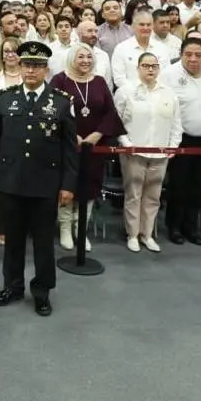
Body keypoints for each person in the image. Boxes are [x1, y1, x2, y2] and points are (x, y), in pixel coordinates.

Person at [0, 42, 77, 317]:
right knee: (12, 240)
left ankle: (42, 292)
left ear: (46, 69)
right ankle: (12, 287)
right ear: (19, 66)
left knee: (43, 243)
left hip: (45, 185)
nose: (31, 70)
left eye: (37, 66)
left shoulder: (60, 102)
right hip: (11, 182)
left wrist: (68, 185)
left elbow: (70, 150)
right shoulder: (6, 98)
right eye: (27, 65)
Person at [48, 42, 122, 251]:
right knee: (67, 185)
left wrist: (96, 135)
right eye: (80, 57)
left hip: (93, 147)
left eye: (88, 57)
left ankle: (81, 230)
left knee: (89, 187)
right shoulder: (60, 80)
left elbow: (110, 112)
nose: (85, 61)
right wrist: (74, 136)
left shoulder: (98, 81)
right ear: (72, 58)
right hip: (67, 145)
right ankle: (64, 228)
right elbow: (52, 110)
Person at [160, 37, 201, 246]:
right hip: (181, 138)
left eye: (198, 55)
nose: (193, 59)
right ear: (181, 54)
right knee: (178, 185)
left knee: (198, 186)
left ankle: (191, 227)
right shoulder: (169, 74)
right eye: (188, 54)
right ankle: (174, 226)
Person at [114, 52, 182, 253]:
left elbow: (176, 123)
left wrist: (173, 145)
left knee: (153, 196)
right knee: (134, 195)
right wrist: (126, 144)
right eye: (146, 65)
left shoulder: (169, 93)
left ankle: (147, 234)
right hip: (134, 152)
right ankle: (133, 234)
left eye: (154, 66)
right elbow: (117, 121)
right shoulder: (126, 90)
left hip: (161, 153)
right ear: (138, 68)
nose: (150, 69)